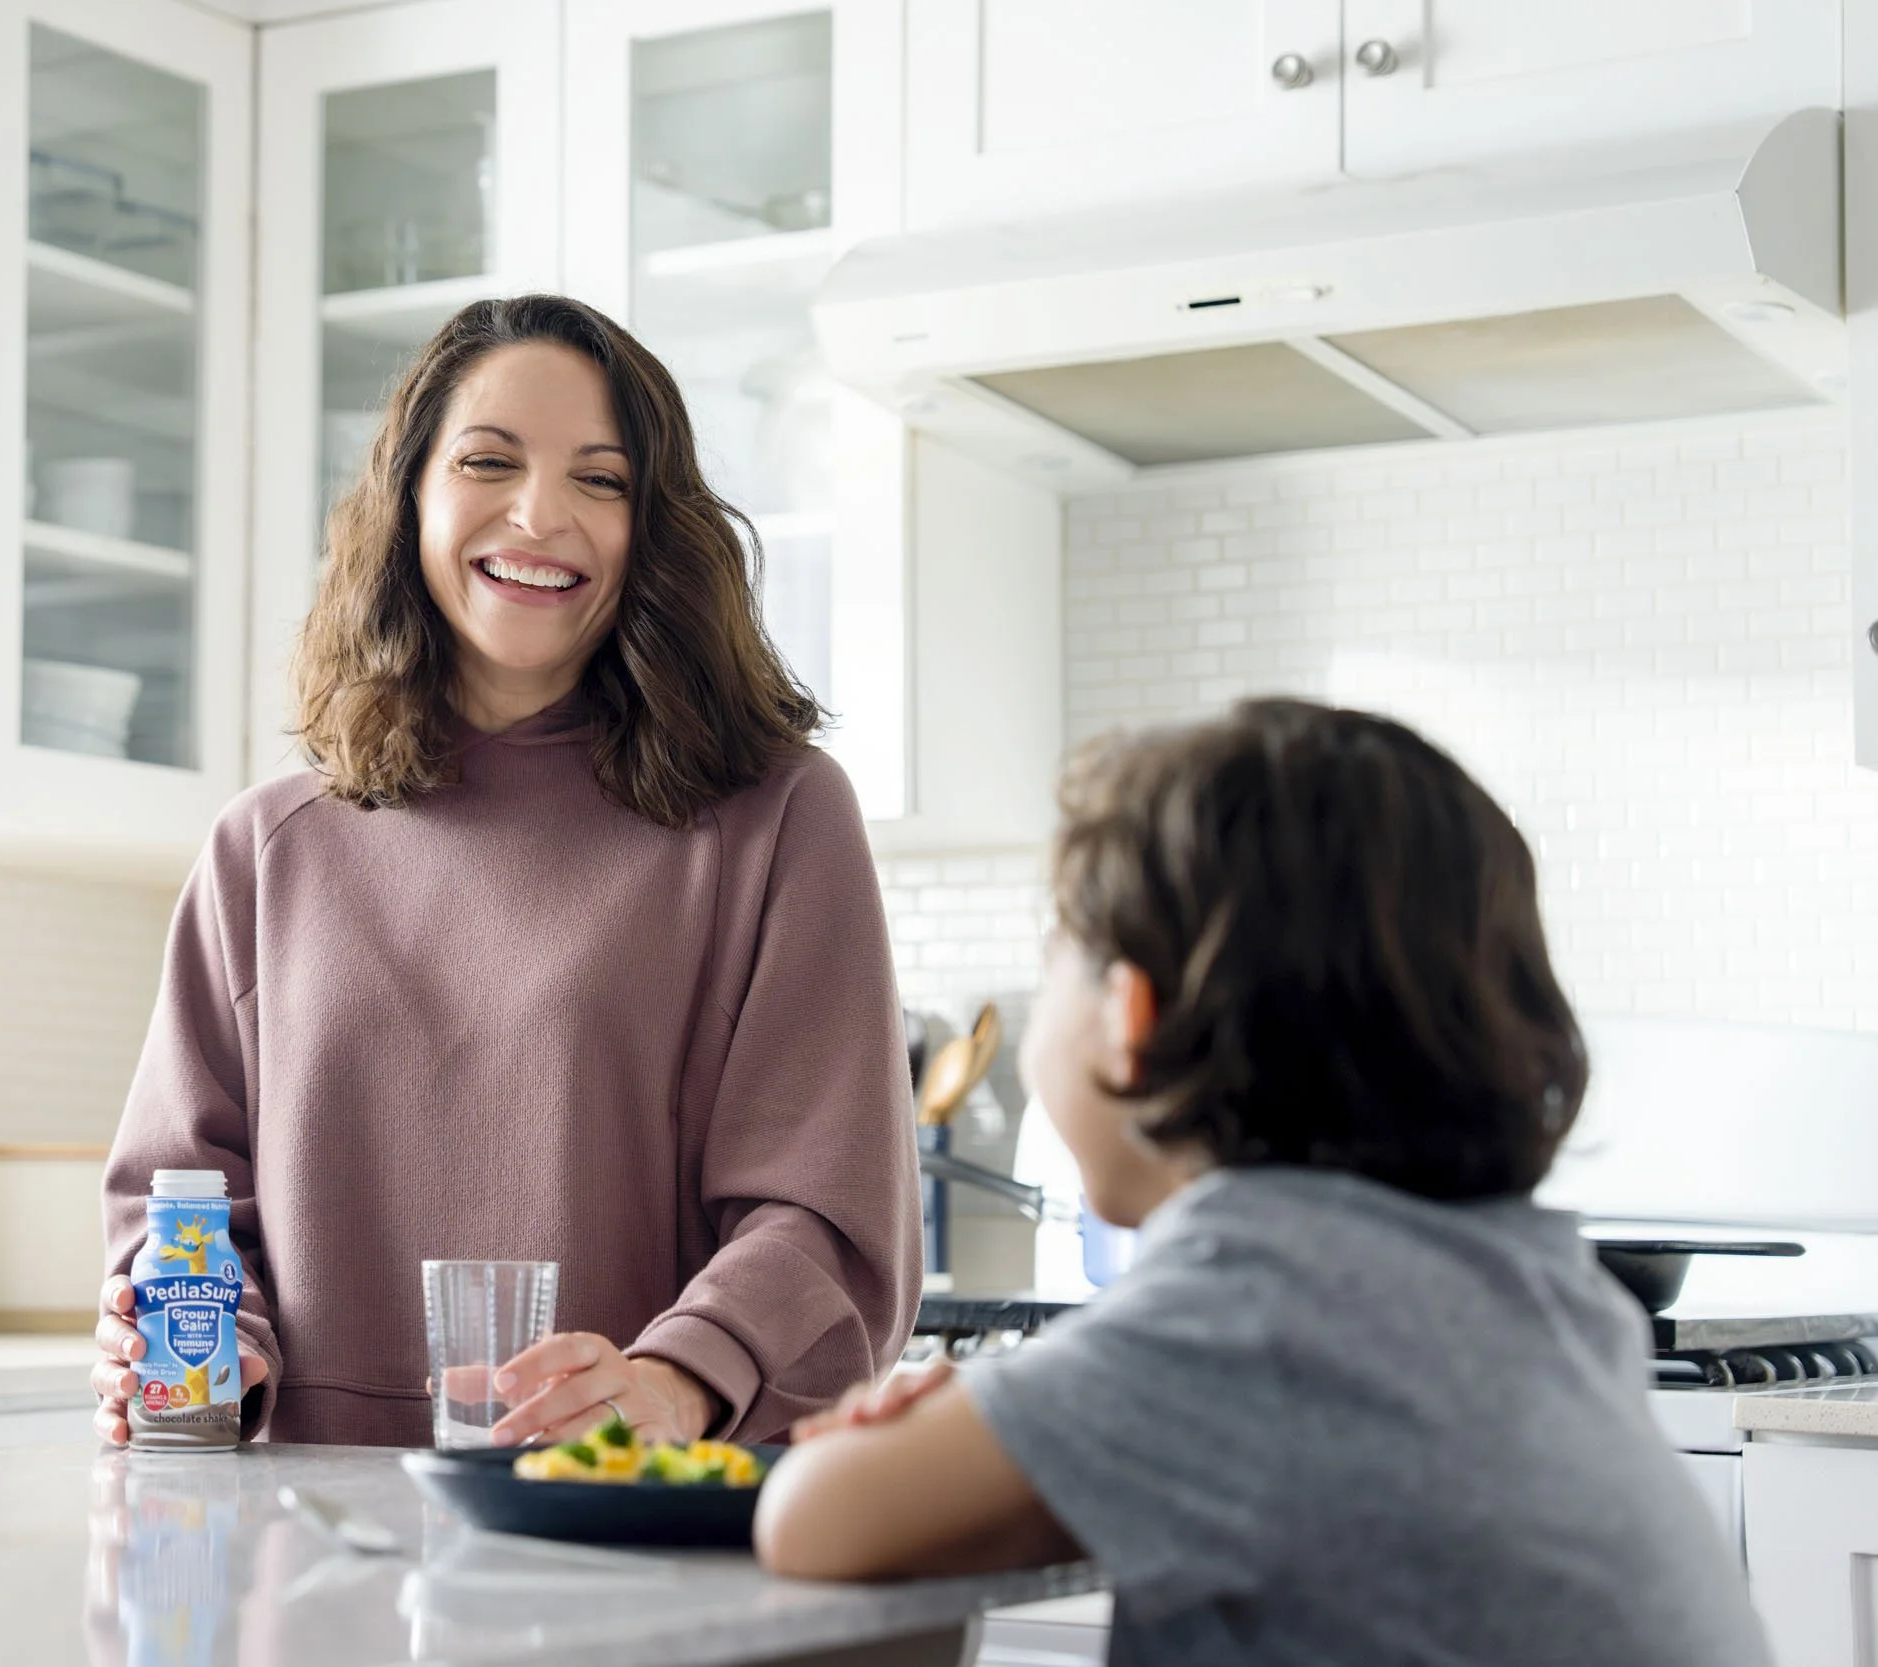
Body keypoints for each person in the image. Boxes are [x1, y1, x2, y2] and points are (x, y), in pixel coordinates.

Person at [753, 699, 1773, 1667]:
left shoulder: (1261, 1309)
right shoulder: (1522, 1286)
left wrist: (937, 1428)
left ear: (1129, 1016)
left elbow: (816, 1515)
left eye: (1054, 956)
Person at [91, 294, 920, 1448]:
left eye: (601, 479)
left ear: (652, 527)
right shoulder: (265, 848)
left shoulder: (776, 818)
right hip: (309, 1525)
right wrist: (193, 1343)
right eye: (489, 461)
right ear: (409, 497)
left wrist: (672, 1380)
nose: (540, 514)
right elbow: (180, 1201)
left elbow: (829, 1215)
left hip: (625, 1511)